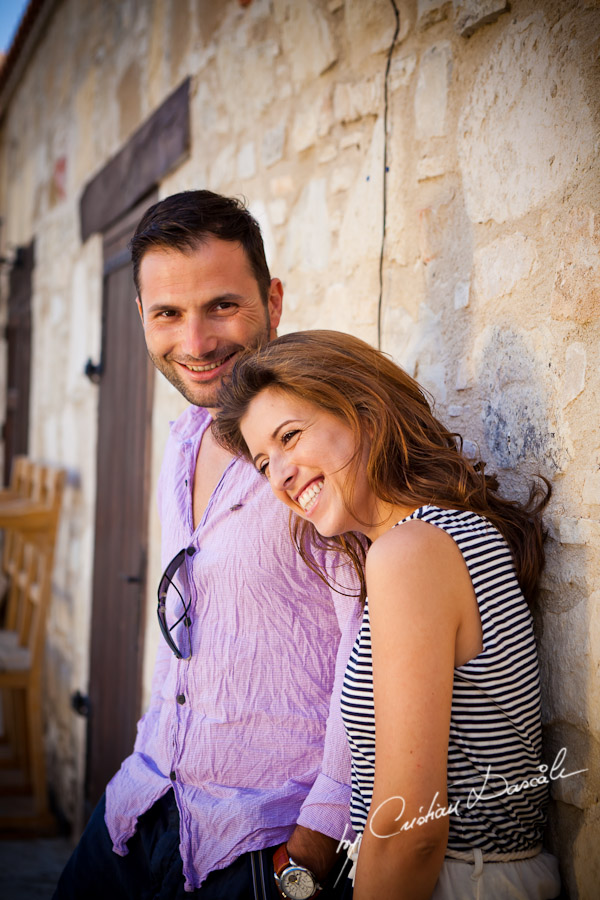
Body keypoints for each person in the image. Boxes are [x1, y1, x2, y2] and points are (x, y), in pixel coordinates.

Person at [54, 195, 358, 900]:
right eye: (167, 314)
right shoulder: (182, 438)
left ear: (272, 301)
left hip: (261, 841)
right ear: (140, 316)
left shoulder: (323, 442)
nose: (194, 343)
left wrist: (314, 839)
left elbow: (366, 645)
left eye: (222, 306)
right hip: (142, 801)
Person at [213, 329, 563, 900]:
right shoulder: (433, 538)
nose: (278, 474)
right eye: (263, 463)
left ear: (364, 412)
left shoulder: (412, 551)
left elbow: (409, 829)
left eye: (291, 436)